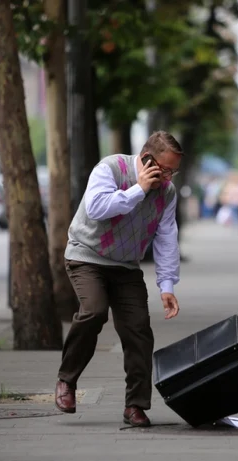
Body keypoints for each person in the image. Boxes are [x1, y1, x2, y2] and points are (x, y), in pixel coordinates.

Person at [54, 131, 183, 428]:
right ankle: (66, 380)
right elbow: (97, 208)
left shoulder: (167, 192)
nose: (168, 178)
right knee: (94, 311)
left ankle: (135, 405)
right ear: (147, 160)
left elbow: (166, 238)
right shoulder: (110, 169)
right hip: (87, 255)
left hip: (125, 265)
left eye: (173, 171)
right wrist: (138, 189)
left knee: (138, 329)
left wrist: (166, 285)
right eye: (165, 170)